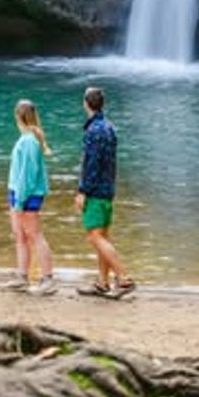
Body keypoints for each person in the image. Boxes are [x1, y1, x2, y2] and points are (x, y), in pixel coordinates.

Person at [75, 85, 136, 297]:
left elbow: (91, 164)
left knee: (94, 237)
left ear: (85, 103)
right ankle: (102, 282)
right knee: (103, 237)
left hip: (96, 192)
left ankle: (123, 278)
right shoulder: (109, 127)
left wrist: (83, 191)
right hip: (108, 190)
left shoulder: (93, 130)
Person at [4, 98, 57, 295]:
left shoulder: (29, 141)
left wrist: (19, 201)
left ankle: (48, 278)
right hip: (18, 192)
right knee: (20, 235)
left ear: (18, 117)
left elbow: (27, 175)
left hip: (26, 195)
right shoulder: (29, 138)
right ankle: (22, 277)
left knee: (34, 234)